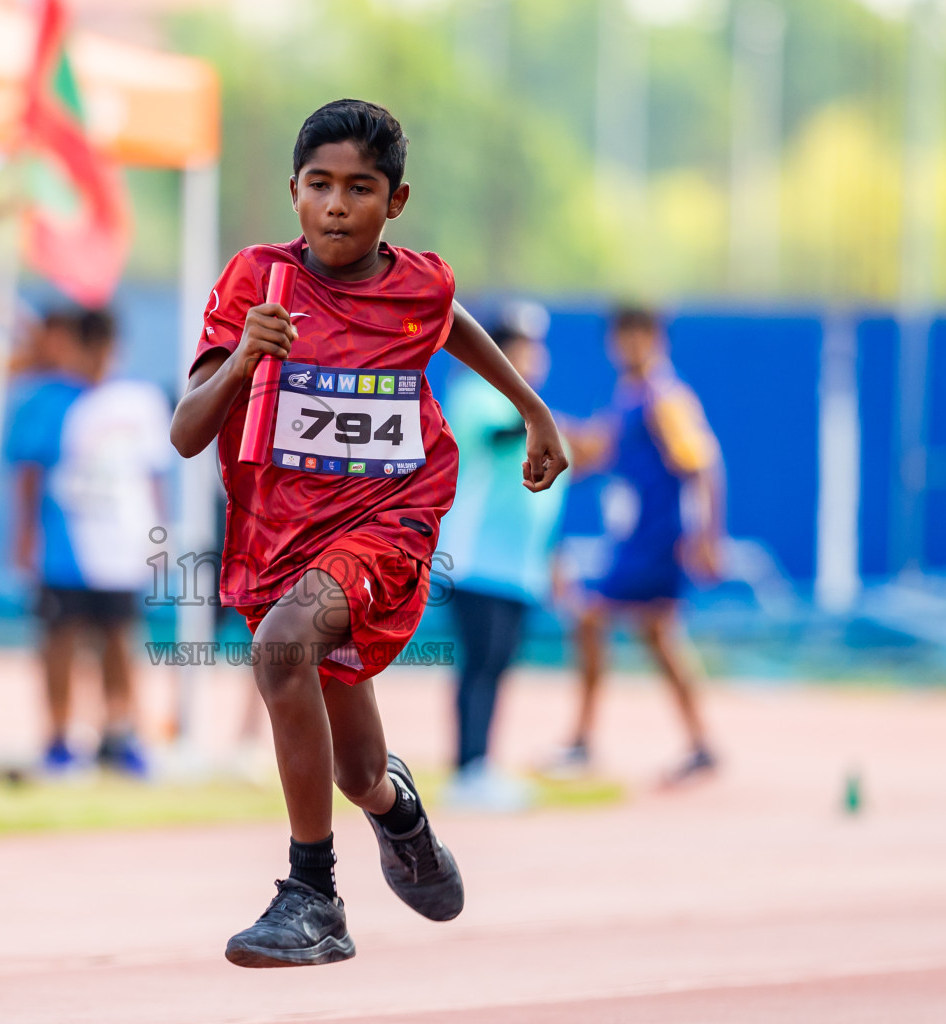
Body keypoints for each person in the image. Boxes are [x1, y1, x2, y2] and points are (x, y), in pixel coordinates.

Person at [171, 99, 566, 968]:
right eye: (320, 185)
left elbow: (444, 314)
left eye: (361, 188)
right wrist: (245, 358)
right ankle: (400, 813)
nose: (338, 205)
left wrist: (531, 408)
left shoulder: (419, 282)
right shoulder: (256, 283)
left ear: (397, 202)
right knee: (355, 773)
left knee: (281, 651)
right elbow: (188, 432)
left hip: (390, 520)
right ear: (294, 192)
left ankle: (312, 896)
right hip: (280, 534)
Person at [547, 304, 724, 786]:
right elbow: (597, 451)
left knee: (587, 618)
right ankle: (702, 744)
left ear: (656, 338)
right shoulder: (630, 396)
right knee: (660, 636)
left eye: (637, 335)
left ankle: (582, 741)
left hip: (656, 540)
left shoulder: (665, 397)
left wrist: (709, 538)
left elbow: (706, 465)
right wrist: (553, 434)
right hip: (638, 540)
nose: (627, 345)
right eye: (620, 336)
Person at [6, 308, 171, 778]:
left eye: (107, 349)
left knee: (119, 638)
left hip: (121, 547)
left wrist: (158, 539)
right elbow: (28, 477)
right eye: (90, 348)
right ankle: (59, 738)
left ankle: (119, 732)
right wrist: (24, 538)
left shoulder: (139, 402)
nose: (99, 360)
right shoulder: (45, 401)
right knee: (60, 638)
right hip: (64, 545)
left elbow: (154, 476)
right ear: (72, 346)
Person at [436, 305, 568, 811]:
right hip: (476, 562)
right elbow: (498, 437)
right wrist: (543, 418)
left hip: (519, 568)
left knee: (498, 665)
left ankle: (481, 764)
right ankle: (467, 768)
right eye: (518, 346)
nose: (531, 356)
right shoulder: (476, 397)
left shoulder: (529, 413)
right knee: (480, 665)